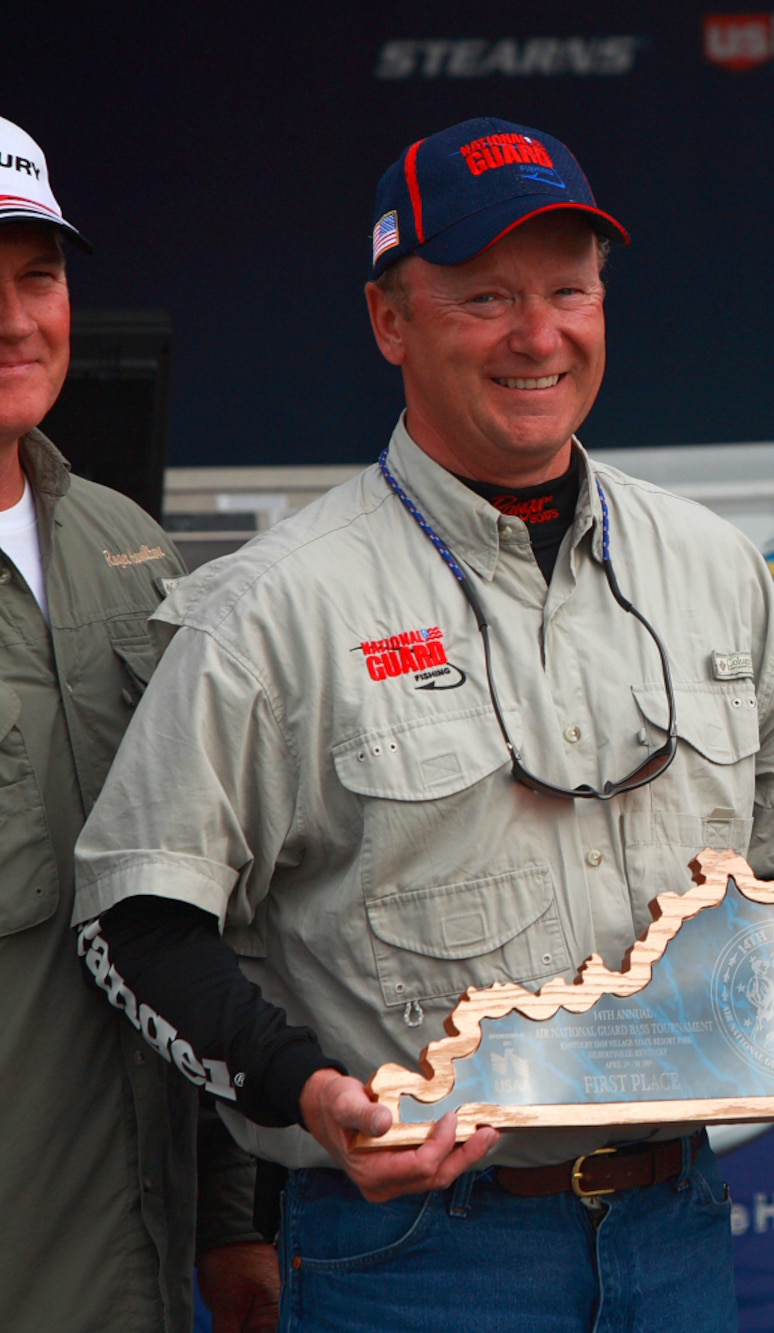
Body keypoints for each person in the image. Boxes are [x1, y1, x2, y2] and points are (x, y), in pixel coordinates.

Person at [69, 117, 774, 1332]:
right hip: (413, 1252)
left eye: (570, 289)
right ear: (389, 321)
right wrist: (309, 1093)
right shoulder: (274, 610)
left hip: (679, 1235)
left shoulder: (718, 569)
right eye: (485, 295)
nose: (538, 334)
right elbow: (137, 922)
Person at [0, 116, 278, 1332]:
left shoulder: (134, 548)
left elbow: (199, 912)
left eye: (38, 275)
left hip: (142, 1263)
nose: (17, 320)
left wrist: (232, 1218)